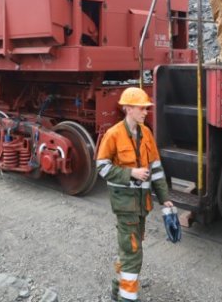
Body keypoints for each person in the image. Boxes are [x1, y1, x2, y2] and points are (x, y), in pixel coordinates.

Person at [96, 87, 173, 302]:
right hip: (125, 205)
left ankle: (117, 288)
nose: (146, 112)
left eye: (146, 108)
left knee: (130, 248)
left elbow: (156, 168)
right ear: (128, 109)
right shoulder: (113, 135)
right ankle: (126, 298)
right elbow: (101, 167)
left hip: (142, 205)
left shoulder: (146, 133)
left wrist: (165, 197)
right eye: (142, 108)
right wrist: (131, 173)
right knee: (133, 253)